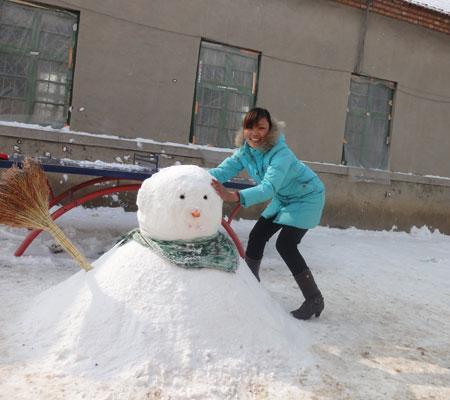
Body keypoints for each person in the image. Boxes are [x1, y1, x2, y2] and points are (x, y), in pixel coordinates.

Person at [209, 107, 326, 320]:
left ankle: (314, 299)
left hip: (307, 196)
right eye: (249, 127)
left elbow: (268, 188)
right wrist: (194, 176)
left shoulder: (281, 154)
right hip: (284, 197)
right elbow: (222, 171)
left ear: (270, 130)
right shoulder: (245, 152)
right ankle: (251, 287)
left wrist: (233, 196)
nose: (255, 133)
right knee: (257, 236)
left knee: (286, 245)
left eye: (261, 128)